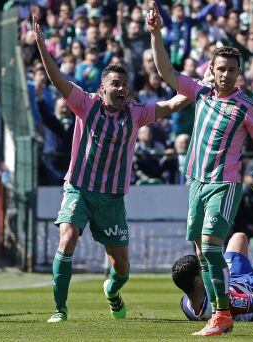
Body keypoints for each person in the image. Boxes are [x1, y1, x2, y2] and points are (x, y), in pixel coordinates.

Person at [32, 16, 191, 323]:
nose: (121, 89)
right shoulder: (84, 104)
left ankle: (112, 292)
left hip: (112, 198)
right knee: (67, 238)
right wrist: (41, 43)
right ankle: (59, 310)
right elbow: (56, 79)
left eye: (125, 85)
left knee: (121, 267)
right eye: (115, 84)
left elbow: (171, 104)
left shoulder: (136, 114)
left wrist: (200, 88)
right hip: (78, 187)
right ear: (102, 88)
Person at [147, 2, 253, 336]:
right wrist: (156, 33)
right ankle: (221, 312)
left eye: (232, 69)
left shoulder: (248, 106)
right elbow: (166, 72)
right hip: (196, 183)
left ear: (238, 72)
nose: (226, 74)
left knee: (212, 245)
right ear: (211, 70)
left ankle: (222, 314)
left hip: (225, 184)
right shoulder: (200, 92)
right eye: (221, 68)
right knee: (201, 251)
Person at [172, 230, 253, 326]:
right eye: (202, 268)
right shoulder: (225, 301)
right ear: (198, 280)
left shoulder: (185, 304)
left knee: (239, 237)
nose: (206, 269)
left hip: (232, 281)